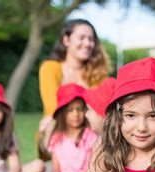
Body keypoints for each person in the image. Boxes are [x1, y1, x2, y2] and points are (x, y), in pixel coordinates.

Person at [38, 19, 110, 160]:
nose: (88, 43)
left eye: (91, 39)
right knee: (49, 121)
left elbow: (99, 109)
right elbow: (53, 108)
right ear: (66, 40)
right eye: (81, 38)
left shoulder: (98, 73)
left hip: (89, 134)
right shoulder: (50, 67)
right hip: (58, 130)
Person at [26, 84, 97, 172]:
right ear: (63, 113)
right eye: (70, 110)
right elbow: (55, 168)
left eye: (80, 109)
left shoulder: (90, 135)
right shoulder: (57, 137)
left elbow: (93, 167)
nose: (76, 114)